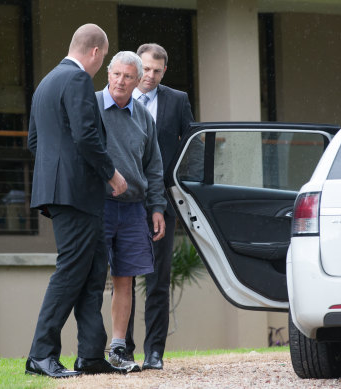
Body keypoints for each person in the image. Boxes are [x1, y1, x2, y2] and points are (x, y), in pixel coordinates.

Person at [25, 24, 128, 378]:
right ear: (96, 52)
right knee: (71, 271)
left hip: (63, 192)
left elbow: (35, 142)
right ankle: (41, 354)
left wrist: (56, 178)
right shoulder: (78, 79)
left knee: (93, 271)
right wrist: (110, 174)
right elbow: (85, 135)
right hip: (78, 193)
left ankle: (90, 355)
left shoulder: (45, 83)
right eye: (103, 59)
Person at [124, 43, 195, 371]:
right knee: (124, 277)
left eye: (156, 71)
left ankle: (154, 352)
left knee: (157, 280)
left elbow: (190, 151)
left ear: (164, 71)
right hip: (122, 202)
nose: (149, 77)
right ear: (136, 67)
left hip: (161, 204)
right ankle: (123, 349)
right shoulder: (117, 96)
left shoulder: (177, 101)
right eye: (145, 70)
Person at [95, 51, 167, 373]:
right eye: (115, 75)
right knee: (92, 278)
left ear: (138, 82)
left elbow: (154, 168)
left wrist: (157, 208)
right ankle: (90, 350)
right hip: (98, 206)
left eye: (127, 77)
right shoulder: (92, 106)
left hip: (134, 208)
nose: (120, 81)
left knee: (125, 279)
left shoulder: (143, 117)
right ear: (107, 74)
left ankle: (118, 348)